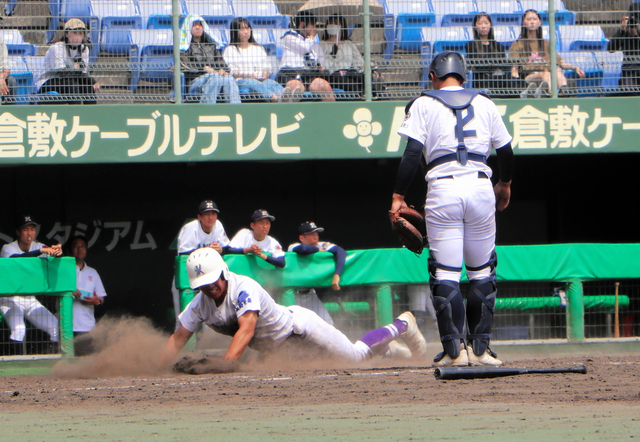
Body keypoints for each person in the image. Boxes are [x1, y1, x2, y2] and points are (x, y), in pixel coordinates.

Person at [391, 51, 514, 367]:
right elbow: (505, 150)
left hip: (443, 187)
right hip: (480, 184)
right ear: (463, 76)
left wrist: (397, 196)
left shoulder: (424, 103)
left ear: (432, 76)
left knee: (445, 274)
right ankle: (482, 351)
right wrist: (505, 185)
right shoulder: (485, 103)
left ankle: (454, 352)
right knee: (482, 272)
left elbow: (412, 153)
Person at [158, 249, 427, 367]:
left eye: (212, 278)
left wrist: (225, 365)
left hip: (302, 330)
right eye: (202, 283)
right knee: (339, 361)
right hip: (285, 349)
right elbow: (179, 337)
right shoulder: (199, 304)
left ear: (223, 272)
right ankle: (388, 350)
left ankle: (403, 324)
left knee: (356, 357)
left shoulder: (243, 288)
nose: (210, 286)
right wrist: (156, 365)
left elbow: (246, 330)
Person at [0, 215, 62, 355]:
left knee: (55, 327)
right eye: (25, 229)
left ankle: (53, 363)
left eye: (32, 229)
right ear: (18, 232)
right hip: (9, 298)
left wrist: (57, 252)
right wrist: (40, 252)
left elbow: (52, 253)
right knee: (19, 329)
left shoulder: (38, 246)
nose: (29, 233)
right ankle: (16, 367)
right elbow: (16, 261)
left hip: (29, 299)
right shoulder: (8, 248)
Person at [171, 200, 236, 330]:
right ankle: (185, 350)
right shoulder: (190, 228)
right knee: (183, 319)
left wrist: (221, 250)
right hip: (189, 278)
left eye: (213, 213)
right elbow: (183, 253)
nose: (210, 217)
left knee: (210, 318)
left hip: (209, 279)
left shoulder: (218, 226)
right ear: (199, 217)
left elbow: (227, 247)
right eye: (206, 214)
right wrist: (208, 249)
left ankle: (206, 349)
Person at [509, 9, 585, 96]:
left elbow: (561, 63)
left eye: (534, 19)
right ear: (523, 23)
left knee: (556, 70)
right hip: (529, 77)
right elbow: (514, 68)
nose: (532, 22)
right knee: (545, 73)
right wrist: (517, 85)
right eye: (529, 19)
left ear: (539, 22)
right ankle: (550, 94)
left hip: (548, 73)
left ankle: (564, 90)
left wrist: (575, 68)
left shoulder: (547, 44)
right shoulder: (517, 44)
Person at [287, 221, 346, 326]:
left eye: (316, 234)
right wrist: (319, 250)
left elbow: (341, 252)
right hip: (292, 294)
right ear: (302, 238)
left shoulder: (322, 244)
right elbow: (304, 249)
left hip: (310, 294)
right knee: (294, 327)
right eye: (311, 235)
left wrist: (337, 275)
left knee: (328, 324)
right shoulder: (293, 246)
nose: (315, 237)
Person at [36, 18, 100, 104]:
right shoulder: (57, 48)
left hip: (70, 79)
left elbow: (83, 74)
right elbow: (62, 73)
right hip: (49, 81)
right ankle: (75, 113)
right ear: (67, 34)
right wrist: (75, 69)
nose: (77, 37)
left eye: (80, 34)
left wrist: (93, 81)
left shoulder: (84, 49)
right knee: (71, 83)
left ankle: (90, 114)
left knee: (87, 85)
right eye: (74, 33)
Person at [179, 15, 241, 104]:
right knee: (216, 77)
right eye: (194, 25)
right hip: (195, 81)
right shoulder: (184, 48)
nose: (197, 27)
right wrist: (204, 69)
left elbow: (223, 64)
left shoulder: (212, 46)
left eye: (200, 25)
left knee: (229, 78)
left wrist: (222, 70)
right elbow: (186, 67)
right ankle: (207, 108)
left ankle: (235, 109)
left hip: (216, 76)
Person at [277, 11, 335, 102]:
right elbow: (304, 48)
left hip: (308, 74)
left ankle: (332, 114)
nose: (315, 29)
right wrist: (311, 38)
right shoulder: (289, 36)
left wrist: (319, 66)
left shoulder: (314, 45)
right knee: (297, 87)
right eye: (312, 25)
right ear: (303, 24)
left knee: (325, 86)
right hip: (290, 72)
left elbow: (321, 61)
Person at [223, 17, 284, 102]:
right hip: (241, 81)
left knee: (270, 82)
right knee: (251, 82)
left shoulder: (259, 48)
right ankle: (272, 97)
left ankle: (285, 95)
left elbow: (266, 67)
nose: (246, 32)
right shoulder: (230, 50)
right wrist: (249, 76)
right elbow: (232, 72)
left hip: (260, 80)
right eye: (241, 29)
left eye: (247, 28)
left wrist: (265, 74)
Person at [465, 12, 524, 96]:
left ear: (490, 25)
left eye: (486, 23)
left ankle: (526, 91)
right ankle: (523, 92)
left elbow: (503, 64)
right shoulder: (471, 45)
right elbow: (477, 64)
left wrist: (491, 64)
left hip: (498, 77)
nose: (483, 26)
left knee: (511, 79)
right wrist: (492, 64)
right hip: (482, 79)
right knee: (506, 80)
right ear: (475, 26)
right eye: (480, 23)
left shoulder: (498, 45)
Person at [67, 235, 106, 356]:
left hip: (87, 327)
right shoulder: (64, 269)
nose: (79, 249)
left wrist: (96, 301)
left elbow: (101, 298)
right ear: (70, 250)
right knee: (65, 365)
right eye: (76, 246)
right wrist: (68, 291)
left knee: (85, 364)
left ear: (86, 249)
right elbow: (51, 292)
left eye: (82, 246)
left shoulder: (92, 272)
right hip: (66, 326)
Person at [607, 15, 640, 92]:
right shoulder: (623, 34)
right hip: (629, 70)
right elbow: (610, 49)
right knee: (628, 90)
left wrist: (635, 34)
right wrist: (621, 30)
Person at [0, 34, 17, 104]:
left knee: (11, 81)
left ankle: (10, 110)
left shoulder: (1, 42)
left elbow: (7, 68)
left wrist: (1, 77)